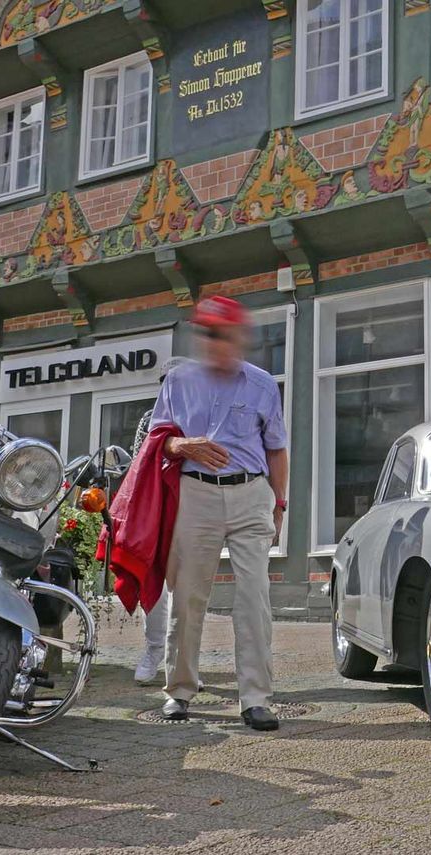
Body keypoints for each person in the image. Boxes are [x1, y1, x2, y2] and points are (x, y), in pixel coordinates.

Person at [150, 296, 289, 730]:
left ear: (239, 337)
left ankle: (255, 697)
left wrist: (279, 503)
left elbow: (277, 449)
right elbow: (157, 440)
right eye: (207, 333)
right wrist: (182, 445)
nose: (214, 342)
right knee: (188, 595)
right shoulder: (178, 381)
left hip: (250, 494)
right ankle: (180, 690)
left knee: (254, 596)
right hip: (196, 494)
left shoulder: (263, 384)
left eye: (222, 333)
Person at [130, 356, 190, 686]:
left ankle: (182, 660)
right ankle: (154, 650)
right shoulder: (148, 419)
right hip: (156, 508)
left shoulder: (202, 418)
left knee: (186, 586)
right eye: (168, 383)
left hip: (191, 509)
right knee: (153, 585)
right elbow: (140, 466)